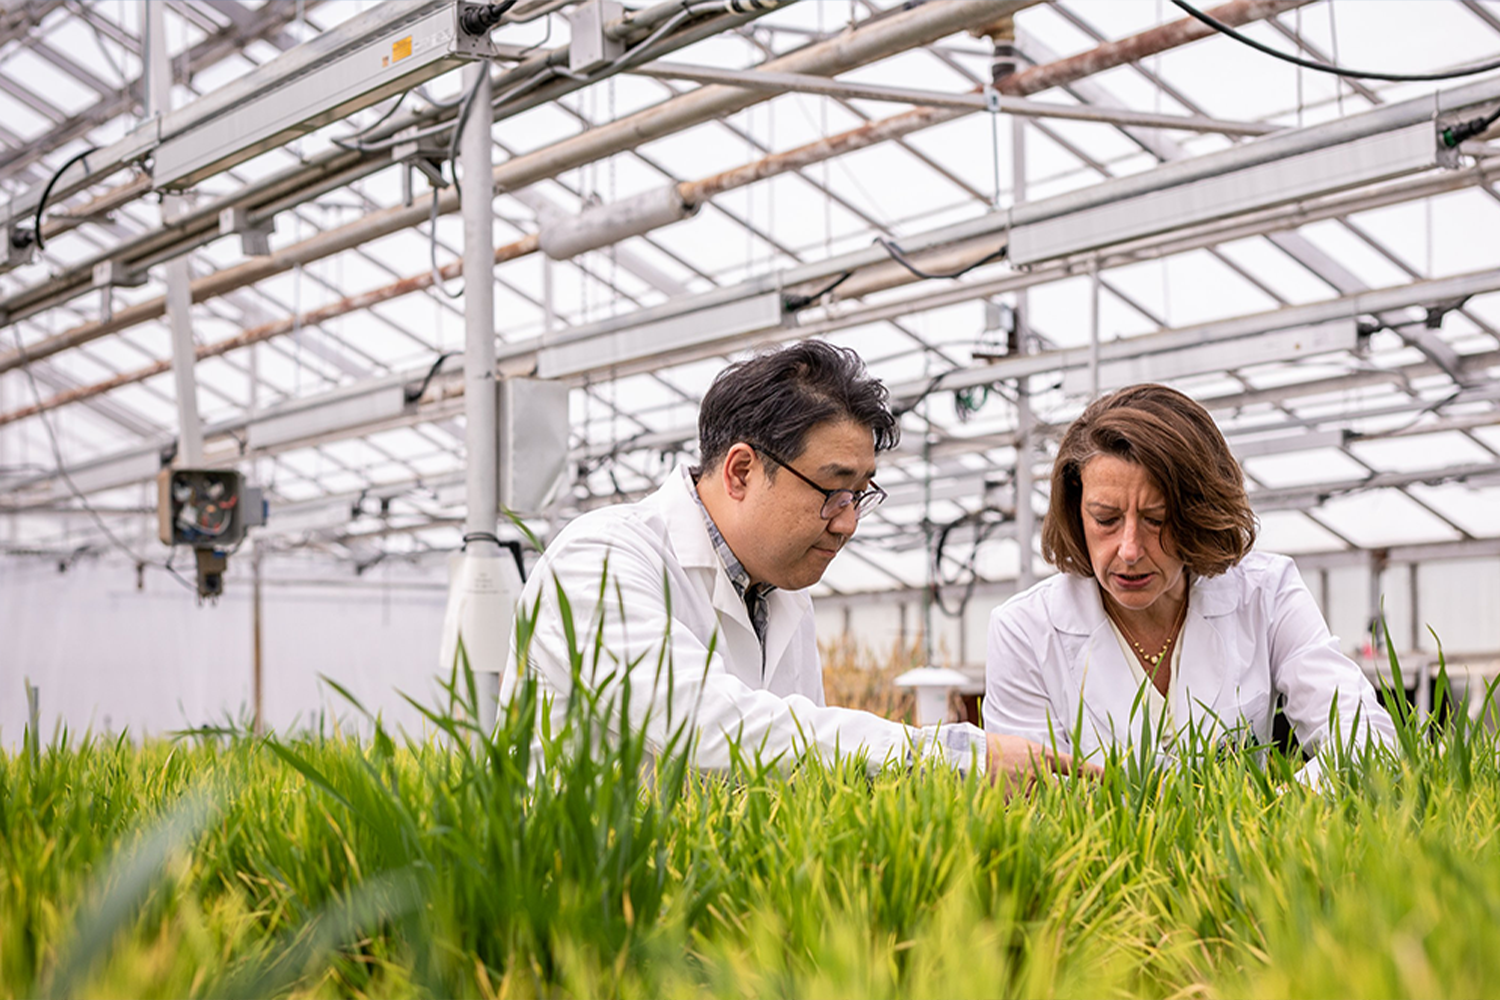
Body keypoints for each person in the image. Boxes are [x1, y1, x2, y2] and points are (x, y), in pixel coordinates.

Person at [507, 340, 1094, 786]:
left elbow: (799, 774)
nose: (847, 521)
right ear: (740, 471)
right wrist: (952, 758)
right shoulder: (600, 563)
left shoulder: (783, 593)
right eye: (831, 490)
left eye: (859, 493)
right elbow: (713, 727)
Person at [984, 384, 1396, 780]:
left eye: (1157, 520)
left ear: (1198, 515)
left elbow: (1366, 740)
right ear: (1076, 510)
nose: (1129, 549)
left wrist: (1275, 812)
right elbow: (1031, 797)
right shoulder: (1024, 631)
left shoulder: (1266, 593)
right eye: (1106, 519)